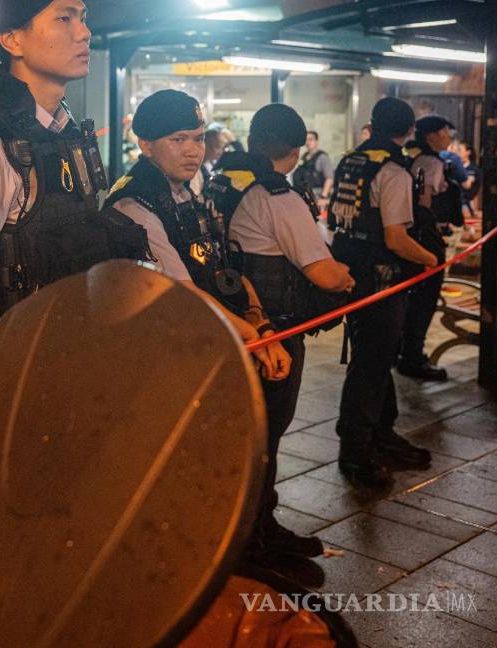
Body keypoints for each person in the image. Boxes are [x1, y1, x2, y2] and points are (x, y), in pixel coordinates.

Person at [0, 0, 152, 378]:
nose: (84, 33)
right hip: (16, 383)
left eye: (83, 18)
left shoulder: (64, 133)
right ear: (12, 39)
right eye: (64, 18)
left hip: (74, 372)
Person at [207, 104, 356, 574]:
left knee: (244, 434)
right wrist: (348, 276)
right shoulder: (278, 196)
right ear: (294, 151)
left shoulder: (219, 181)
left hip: (227, 325)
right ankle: (252, 543)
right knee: (265, 434)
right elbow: (324, 274)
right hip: (274, 331)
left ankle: (255, 529)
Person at [103, 89, 292, 384]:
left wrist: (262, 326)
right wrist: (252, 337)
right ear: (146, 144)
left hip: (204, 344)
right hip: (160, 360)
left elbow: (221, 269)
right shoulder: (135, 204)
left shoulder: (183, 192)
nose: (193, 151)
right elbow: (183, 295)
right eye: (178, 139)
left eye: (199, 138)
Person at [327, 97, 437, 488]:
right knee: (371, 363)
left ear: (372, 125)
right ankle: (355, 449)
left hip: (351, 271)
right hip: (382, 278)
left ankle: (381, 431)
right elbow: (395, 238)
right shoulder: (393, 172)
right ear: (409, 131)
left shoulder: (351, 161)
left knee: (374, 355)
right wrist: (431, 260)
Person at [400, 116, 462, 381]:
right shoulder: (431, 163)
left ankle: (406, 352)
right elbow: (424, 205)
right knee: (424, 301)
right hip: (427, 238)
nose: (449, 136)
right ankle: (412, 358)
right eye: (445, 131)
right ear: (431, 136)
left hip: (415, 236)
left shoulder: (416, 159)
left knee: (414, 299)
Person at [292, 130, 333, 208]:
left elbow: (330, 178)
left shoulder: (322, 157)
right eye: (306, 140)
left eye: (311, 139)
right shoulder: (304, 157)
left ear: (316, 141)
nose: (308, 142)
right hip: (305, 195)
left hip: (317, 195)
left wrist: (323, 197)